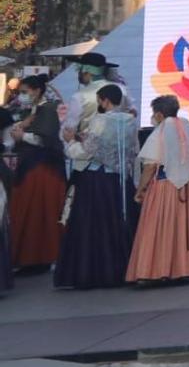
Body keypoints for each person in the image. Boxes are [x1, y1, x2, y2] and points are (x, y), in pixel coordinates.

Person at [55, 82, 139, 290]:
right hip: (121, 180)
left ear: (105, 101)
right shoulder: (130, 121)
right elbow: (132, 150)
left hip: (97, 180)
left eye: (100, 100)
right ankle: (124, 268)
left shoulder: (99, 120)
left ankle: (92, 272)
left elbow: (86, 152)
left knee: (92, 227)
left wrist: (70, 142)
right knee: (120, 223)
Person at [127, 95, 189, 285]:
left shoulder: (161, 131)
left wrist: (140, 189)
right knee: (185, 226)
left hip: (166, 187)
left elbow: (150, 165)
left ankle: (158, 270)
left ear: (158, 114)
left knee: (159, 227)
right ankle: (186, 268)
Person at [6, 75, 65, 273]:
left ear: (37, 90)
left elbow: (45, 139)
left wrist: (22, 135)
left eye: (25, 91)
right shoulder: (34, 110)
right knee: (31, 212)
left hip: (42, 168)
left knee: (39, 212)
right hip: (32, 166)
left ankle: (41, 256)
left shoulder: (48, 109)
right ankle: (30, 256)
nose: (22, 96)